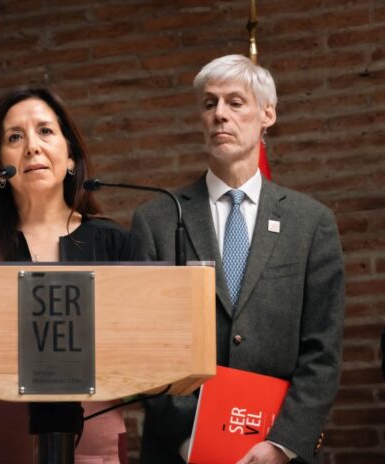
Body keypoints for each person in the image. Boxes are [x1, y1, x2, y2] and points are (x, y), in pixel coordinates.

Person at [131, 55, 344, 464]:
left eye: (235, 102)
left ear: (268, 114)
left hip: (277, 450)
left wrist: (282, 445)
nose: (219, 115)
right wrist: (193, 438)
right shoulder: (157, 220)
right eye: (209, 104)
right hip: (180, 451)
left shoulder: (311, 223)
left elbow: (323, 350)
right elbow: (147, 347)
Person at [0, 87, 138, 464]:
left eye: (45, 131)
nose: (32, 147)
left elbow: (137, 345)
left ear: (71, 156)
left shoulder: (113, 243)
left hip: (93, 443)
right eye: (14, 137)